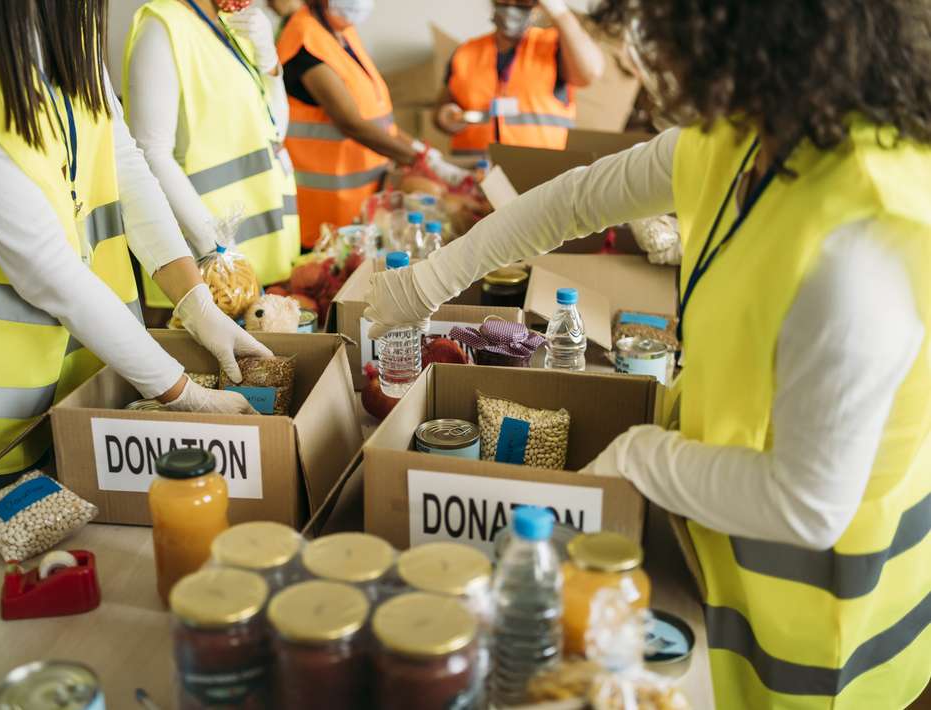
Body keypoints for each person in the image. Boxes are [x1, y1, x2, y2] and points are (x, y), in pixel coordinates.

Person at [364, 0, 931, 707]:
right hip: (723, 554)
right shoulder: (740, 140)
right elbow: (574, 199)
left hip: (820, 625)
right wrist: (428, 280)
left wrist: (637, 457)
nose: (640, 51)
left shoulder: (859, 241)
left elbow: (808, 506)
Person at [0, 0, 271, 532]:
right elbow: (43, 265)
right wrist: (183, 393)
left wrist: (196, 302)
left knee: (94, 552)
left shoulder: (57, 18)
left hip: (77, 364)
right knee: (32, 576)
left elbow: (123, 164)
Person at [124, 0, 300, 305]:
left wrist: (270, 64)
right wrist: (218, 249)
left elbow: (275, 131)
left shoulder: (232, 23)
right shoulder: (161, 29)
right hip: (206, 259)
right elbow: (151, 154)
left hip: (260, 250)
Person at [277, 0, 469, 248]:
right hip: (325, 218)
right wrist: (417, 159)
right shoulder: (305, 41)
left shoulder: (343, 33)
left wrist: (425, 153)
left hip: (362, 210)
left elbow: (377, 120)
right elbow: (351, 123)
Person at [436, 0, 605, 159]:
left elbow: (589, 72)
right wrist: (444, 117)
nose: (511, 6)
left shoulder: (554, 46)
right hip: (472, 173)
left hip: (539, 172)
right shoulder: (465, 52)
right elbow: (442, 108)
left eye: (521, 1)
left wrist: (560, 13)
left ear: (536, 5)